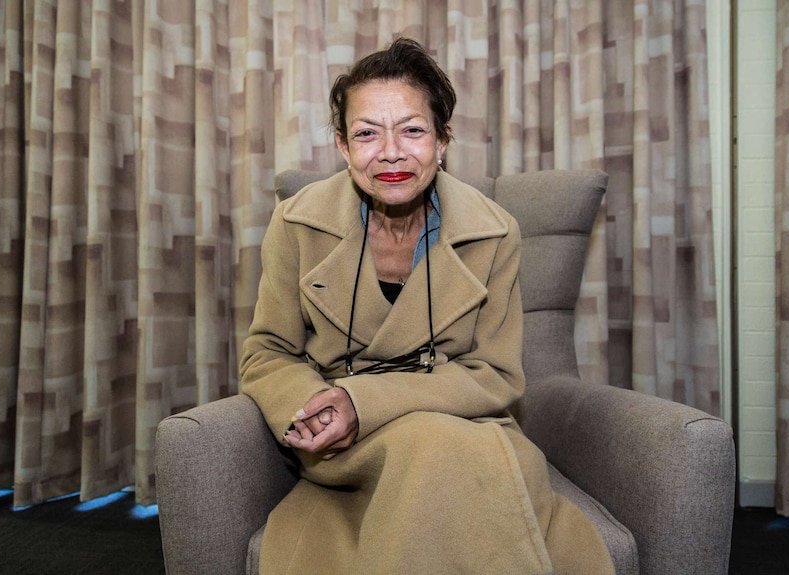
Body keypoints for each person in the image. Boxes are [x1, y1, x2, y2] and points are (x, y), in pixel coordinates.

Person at [240, 37, 614, 574]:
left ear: (442, 141)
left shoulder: (495, 231)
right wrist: (318, 405)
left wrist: (363, 398)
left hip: (465, 424)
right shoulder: (297, 223)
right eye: (367, 133)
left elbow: (496, 375)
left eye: (412, 130)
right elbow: (269, 352)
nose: (390, 152)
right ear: (344, 147)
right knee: (435, 450)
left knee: (443, 445)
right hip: (348, 444)